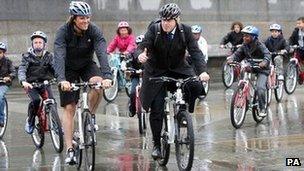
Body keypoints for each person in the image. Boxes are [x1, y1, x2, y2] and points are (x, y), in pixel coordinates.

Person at [137, 3, 210, 159]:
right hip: (156, 71)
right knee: (156, 108)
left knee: (195, 86)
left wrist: (203, 71)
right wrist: (140, 55)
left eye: (169, 20)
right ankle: (157, 144)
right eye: (163, 19)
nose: (165, 23)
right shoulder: (154, 29)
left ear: (177, 19)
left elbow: (195, 52)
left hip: (178, 68)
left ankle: (185, 113)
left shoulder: (186, 31)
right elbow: (143, 45)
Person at [53, 1, 112, 165]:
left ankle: (89, 116)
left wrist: (107, 75)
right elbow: (59, 56)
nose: (85, 21)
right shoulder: (63, 32)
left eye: (87, 17)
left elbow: (101, 52)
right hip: (68, 69)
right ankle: (70, 149)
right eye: (81, 18)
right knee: (70, 107)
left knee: (98, 84)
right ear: (73, 18)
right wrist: (61, 79)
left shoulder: (94, 30)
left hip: (87, 65)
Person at [227, 25, 271, 117]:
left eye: (247, 36)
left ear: (254, 37)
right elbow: (237, 54)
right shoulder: (244, 46)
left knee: (260, 88)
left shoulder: (260, 45)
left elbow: (267, 54)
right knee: (242, 81)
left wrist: (264, 62)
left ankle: (262, 107)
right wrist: (232, 58)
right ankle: (245, 97)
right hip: (250, 67)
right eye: (244, 36)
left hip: (262, 69)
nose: (244, 38)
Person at [18, 31, 55, 134]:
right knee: (36, 100)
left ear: (44, 44)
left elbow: (55, 68)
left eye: (40, 42)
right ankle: (30, 120)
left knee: (52, 101)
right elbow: (22, 69)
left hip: (45, 83)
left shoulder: (49, 56)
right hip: (31, 84)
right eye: (35, 42)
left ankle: (56, 125)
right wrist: (23, 81)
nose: (38, 44)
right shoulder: (27, 56)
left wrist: (61, 78)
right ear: (32, 44)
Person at [128, 35, 144, 117]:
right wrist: (128, 68)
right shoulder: (133, 54)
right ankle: (132, 109)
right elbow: (128, 62)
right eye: (139, 44)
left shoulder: (151, 54)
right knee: (133, 92)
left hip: (147, 77)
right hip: (136, 76)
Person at [0, 42, 16, 127]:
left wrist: (9, 77)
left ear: (3, 53)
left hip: (3, 83)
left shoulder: (8, 62)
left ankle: (1, 119)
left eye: (0, 52)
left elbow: (13, 71)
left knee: (0, 96)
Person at [289, 17, 304, 83]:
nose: (298, 25)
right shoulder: (296, 31)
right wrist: (290, 45)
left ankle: (301, 76)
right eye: (297, 23)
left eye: (299, 23)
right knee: (295, 60)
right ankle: (297, 74)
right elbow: (291, 39)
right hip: (299, 49)